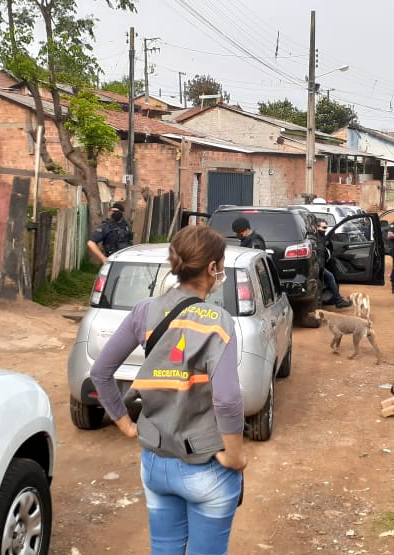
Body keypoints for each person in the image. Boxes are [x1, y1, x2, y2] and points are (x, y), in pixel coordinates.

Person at [90, 224, 246, 555]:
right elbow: (227, 399)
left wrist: (126, 425)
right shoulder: (218, 320)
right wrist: (234, 456)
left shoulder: (145, 310)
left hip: (156, 463)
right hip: (206, 465)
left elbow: (100, 372)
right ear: (212, 268)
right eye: (221, 264)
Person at [316, 221, 351, 309]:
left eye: (326, 228)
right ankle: (338, 301)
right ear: (317, 227)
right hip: (318, 266)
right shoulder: (317, 239)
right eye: (323, 228)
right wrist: (321, 267)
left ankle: (335, 298)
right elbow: (319, 254)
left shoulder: (322, 238)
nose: (325, 230)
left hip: (321, 265)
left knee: (332, 275)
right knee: (330, 277)